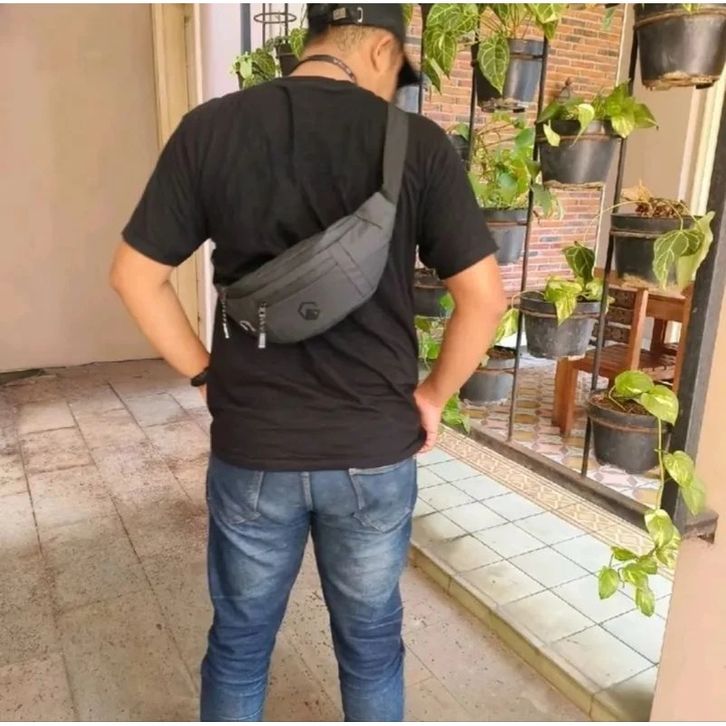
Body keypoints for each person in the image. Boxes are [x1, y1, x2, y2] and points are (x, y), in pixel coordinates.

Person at [110, 3, 506, 721]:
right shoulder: (415, 143)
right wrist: (432, 396)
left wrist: (206, 372)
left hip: (254, 445)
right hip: (373, 448)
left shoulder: (211, 128)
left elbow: (135, 277)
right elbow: (482, 299)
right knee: (372, 643)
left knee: (239, 643)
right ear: (381, 49)